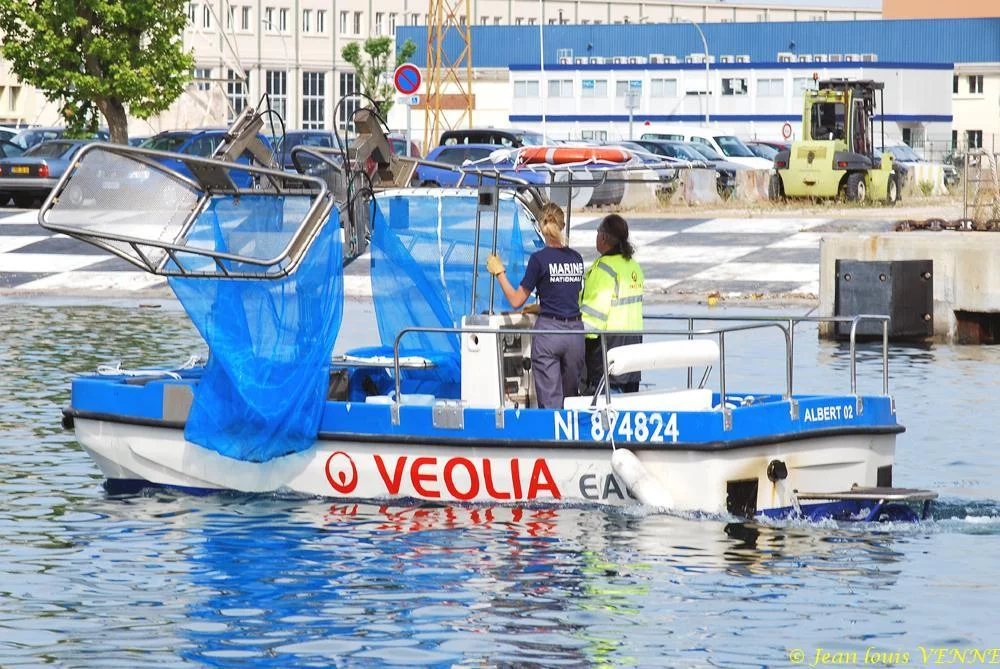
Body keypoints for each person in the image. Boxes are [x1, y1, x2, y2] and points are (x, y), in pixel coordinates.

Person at [487, 203, 585, 410]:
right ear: (562, 225)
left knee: (550, 403)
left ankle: (549, 431)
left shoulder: (538, 259)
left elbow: (516, 301)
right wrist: (543, 305)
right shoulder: (576, 258)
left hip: (549, 333)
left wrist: (499, 273)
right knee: (571, 401)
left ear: (541, 226)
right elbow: (567, 296)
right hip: (575, 334)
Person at [579, 214, 644, 394]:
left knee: (605, 407)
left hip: (608, 356)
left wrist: (569, 332)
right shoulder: (633, 266)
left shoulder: (603, 269)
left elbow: (592, 323)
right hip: (633, 355)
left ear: (603, 237)